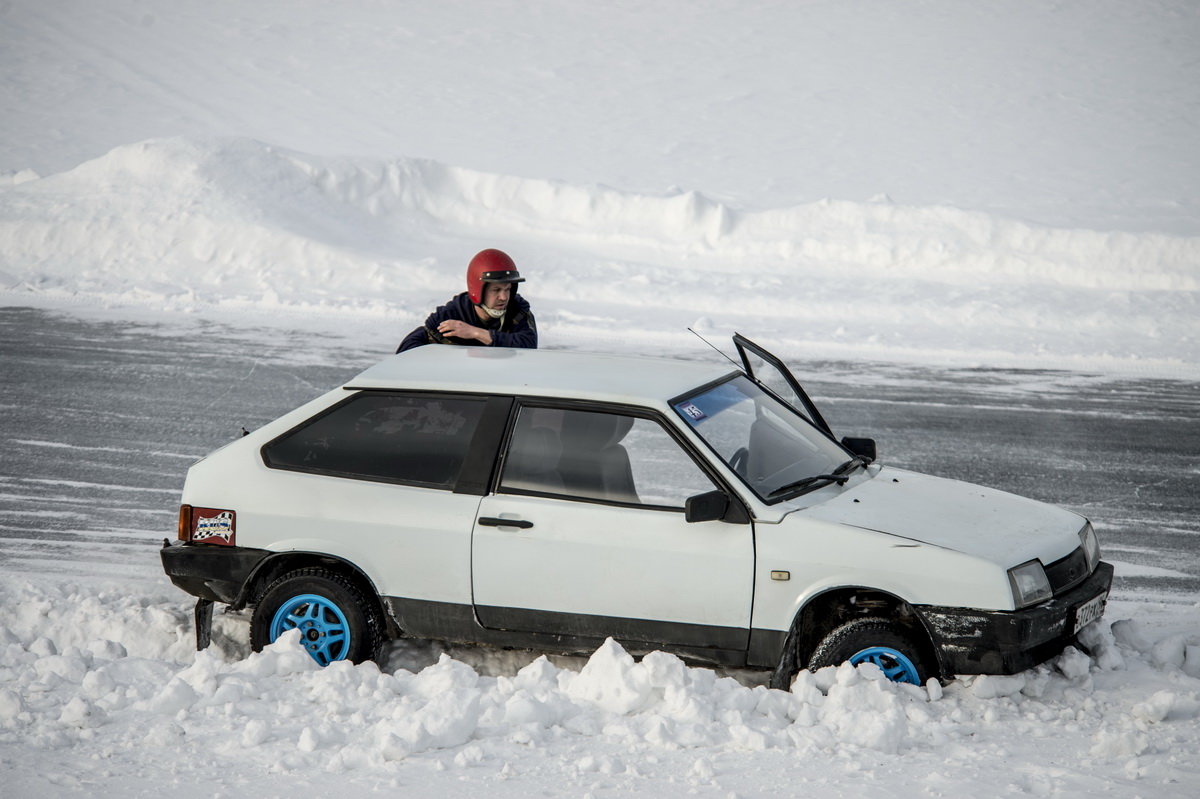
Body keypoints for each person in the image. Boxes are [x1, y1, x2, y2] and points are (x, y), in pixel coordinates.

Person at [397, 249, 537, 352]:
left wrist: (477, 333)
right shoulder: (450, 316)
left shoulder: (518, 312)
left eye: (507, 289)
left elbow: (528, 347)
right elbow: (406, 354)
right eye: (496, 290)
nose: (504, 297)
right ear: (478, 289)